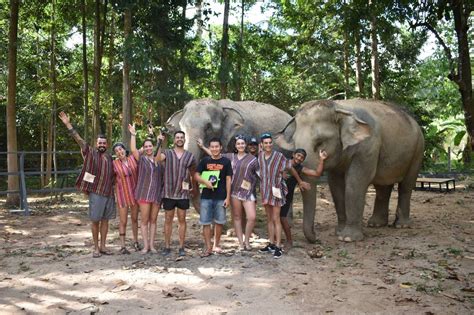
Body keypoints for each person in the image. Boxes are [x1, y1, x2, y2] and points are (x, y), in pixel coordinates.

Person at [59, 111, 115, 258]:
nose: (102, 145)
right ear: (96, 144)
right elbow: (78, 139)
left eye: (104, 143)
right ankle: (96, 248)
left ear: (107, 144)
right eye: (100, 143)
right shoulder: (90, 152)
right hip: (96, 193)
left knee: (105, 221)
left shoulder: (109, 157)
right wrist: (68, 124)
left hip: (109, 193)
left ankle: (103, 246)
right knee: (95, 220)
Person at [198, 135, 258, 251]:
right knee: (237, 217)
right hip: (234, 191)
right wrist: (202, 147)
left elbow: (260, 174)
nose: (240, 145)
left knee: (252, 217)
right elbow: (214, 154)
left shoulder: (253, 159)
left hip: (248, 192)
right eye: (238, 144)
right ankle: (241, 243)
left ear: (245, 145)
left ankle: (247, 241)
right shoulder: (230, 157)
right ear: (235, 146)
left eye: (242, 143)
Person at [257, 132, 308, 259]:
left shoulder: (278, 156)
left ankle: (279, 246)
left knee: (276, 218)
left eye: (270, 143)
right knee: (269, 218)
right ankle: (271, 243)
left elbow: (290, 167)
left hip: (276, 189)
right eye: (266, 143)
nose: (268, 145)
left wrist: (299, 181)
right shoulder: (260, 156)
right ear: (262, 145)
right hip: (265, 190)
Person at [156, 131, 197, 257]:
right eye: (177, 137)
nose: (179, 139)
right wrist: (159, 143)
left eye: (181, 138)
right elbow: (157, 160)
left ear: (184, 140)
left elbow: (192, 173)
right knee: (168, 219)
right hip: (168, 192)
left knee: (182, 220)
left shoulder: (190, 156)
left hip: (183, 193)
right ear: (174, 140)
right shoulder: (167, 153)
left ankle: (181, 247)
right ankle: (167, 246)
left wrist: (194, 187)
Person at [280, 148, 327, 250]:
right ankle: (274, 240)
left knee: (282, 218)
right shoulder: (284, 162)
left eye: (302, 157)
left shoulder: (300, 168)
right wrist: (281, 173)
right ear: (293, 154)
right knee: (274, 217)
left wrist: (321, 160)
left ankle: (289, 241)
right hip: (275, 193)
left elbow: (317, 173)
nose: (299, 158)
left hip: (287, 196)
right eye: (298, 155)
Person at [194, 138, 233, 257]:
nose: (215, 149)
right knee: (205, 222)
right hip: (206, 197)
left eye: (217, 146)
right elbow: (196, 175)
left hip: (221, 197)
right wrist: (204, 182)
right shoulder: (204, 161)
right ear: (209, 148)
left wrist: (228, 197)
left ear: (221, 147)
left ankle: (216, 245)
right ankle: (208, 247)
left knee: (219, 222)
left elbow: (228, 179)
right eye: (212, 147)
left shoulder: (226, 162)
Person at [129, 124, 163, 254]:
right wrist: (133, 134)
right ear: (144, 148)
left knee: (153, 220)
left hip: (156, 194)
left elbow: (159, 153)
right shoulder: (141, 159)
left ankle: (152, 245)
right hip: (143, 193)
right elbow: (133, 150)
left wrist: (159, 141)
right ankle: (145, 246)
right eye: (146, 146)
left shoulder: (158, 160)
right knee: (144, 220)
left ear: (153, 147)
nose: (149, 148)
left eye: (150, 146)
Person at [112, 142, 141, 254]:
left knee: (134, 219)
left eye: (121, 149)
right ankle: (123, 246)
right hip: (122, 194)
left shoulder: (133, 158)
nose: (119, 152)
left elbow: (143, 149)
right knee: (123, 221)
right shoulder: (114, 164)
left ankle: (136, 242)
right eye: (117, 151)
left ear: (124, 149)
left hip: (134, 194)